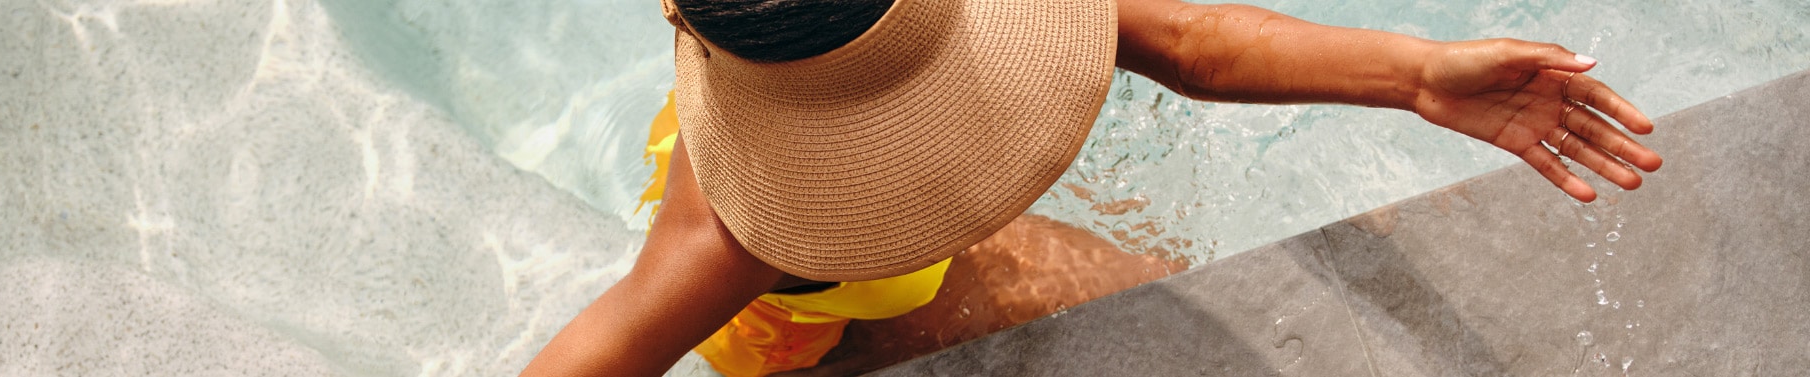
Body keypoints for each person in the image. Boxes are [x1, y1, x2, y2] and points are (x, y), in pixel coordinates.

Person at [523, 0, 1665, 375]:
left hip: (831, 189)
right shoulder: (735, 239)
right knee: (1177, 317)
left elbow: (1188, 42)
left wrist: (1419, 76)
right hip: (827, 330)